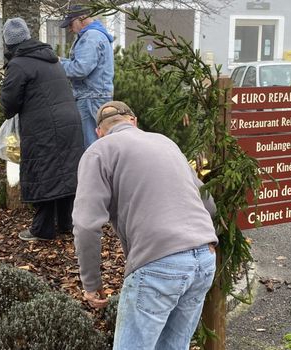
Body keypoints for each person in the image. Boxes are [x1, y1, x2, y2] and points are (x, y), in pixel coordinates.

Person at [73, 101, 218, 349]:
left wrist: (92, 283)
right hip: (204, 259)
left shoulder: (99, 151)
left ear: (99, 131)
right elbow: (210, 205)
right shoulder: (166, 143)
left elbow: (86, 225)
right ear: (134, 121)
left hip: (158, 264)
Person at [0, 18, 85, 241]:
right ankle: (67, 224)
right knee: (65, 172)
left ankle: (43, 230)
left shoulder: (19, 64)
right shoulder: (49, 58)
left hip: (45, 126)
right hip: (70, 122)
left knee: (45, 172)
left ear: (9, 44)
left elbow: (9, 103)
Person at [59, 5, 115, 149]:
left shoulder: (91, 36)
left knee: (93, 147)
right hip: (96, 96)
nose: (70, 29)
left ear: (81, 18)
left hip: (91, 98)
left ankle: (94, 172)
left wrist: (57, 64)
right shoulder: (96, 35)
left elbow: (80, 69)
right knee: (99, 145)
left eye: (71, 24)